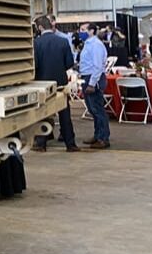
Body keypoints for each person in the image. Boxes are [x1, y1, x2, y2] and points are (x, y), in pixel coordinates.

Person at [32, 16, 79, 152]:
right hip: (61, 83)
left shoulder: (37, 43)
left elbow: (35, 64)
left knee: (43, 114)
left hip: (43, 84)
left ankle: (41, 143)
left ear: (40, 27)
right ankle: (70, 143)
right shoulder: (63, 41)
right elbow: (70, 63)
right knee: (65, 114)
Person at [79, 23, 112, 149]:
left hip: (94, 79)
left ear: (91, 31)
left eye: (83, 30)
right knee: (93, 109)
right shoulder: (88, 44)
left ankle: (103, 138)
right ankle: (98, 135)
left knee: (98, 110)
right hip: (87, 77)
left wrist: (92, 83)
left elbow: (98, 66)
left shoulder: (96, 45)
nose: (80, 32)